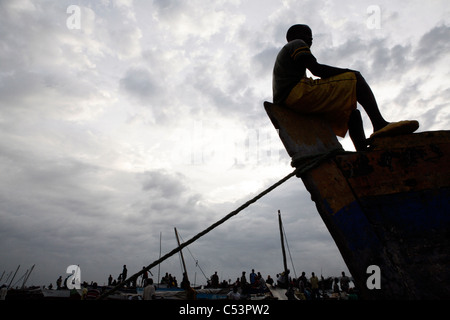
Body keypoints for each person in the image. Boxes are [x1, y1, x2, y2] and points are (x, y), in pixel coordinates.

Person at [272, 24, 419, 151]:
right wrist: (349, 73)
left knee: (351, 113)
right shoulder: (296, 44)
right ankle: (379, 123)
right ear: (294, 36)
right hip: (297, 94)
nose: (310, 39)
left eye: (311, 36)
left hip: (292, 100)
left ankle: (362, 150)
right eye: (307, 34)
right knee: (355, 78)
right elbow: (317, 70)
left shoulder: (288, 55)